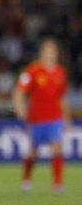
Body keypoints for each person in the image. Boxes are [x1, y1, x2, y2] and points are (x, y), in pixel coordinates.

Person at [13, 37, 71, 194]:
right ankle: (26, 180)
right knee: (33, 152)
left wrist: (66, 117)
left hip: (55, 118)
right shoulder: (32, 71)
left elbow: (62, 97)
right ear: (41, 53)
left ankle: (58, 185)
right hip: (37, 118)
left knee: (57, 148)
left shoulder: (61, 72)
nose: (49, 55)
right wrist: (20, 109)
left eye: (52, 52)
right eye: (46, 51)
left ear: (56, 54)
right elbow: (19, 92)